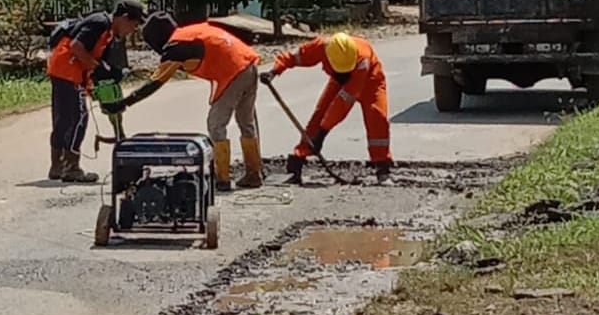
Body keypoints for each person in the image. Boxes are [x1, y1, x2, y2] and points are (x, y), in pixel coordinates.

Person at [104, 11, 262, 191]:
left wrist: (124, 103)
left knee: (216, 125)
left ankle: (222, 178)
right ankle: (253, 174)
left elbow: (155, 82)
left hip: (232, 73)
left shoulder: (176, 47)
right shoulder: (190, 32)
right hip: (249, 64)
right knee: (246, 123)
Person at [261, 32, 392, 184]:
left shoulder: (362, 59)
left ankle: (383, 168)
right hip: (338, 81)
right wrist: (274, 71)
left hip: (371, 81)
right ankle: (298, 160)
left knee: (377, 117)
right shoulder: (322, 46)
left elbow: (343, 104)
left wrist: (322, 134)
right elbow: (294, 56)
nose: (343, 75)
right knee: (320, 114)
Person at [46, 0, 146, 183]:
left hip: (64, 70)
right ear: (123, 18)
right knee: (78, 118)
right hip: (68, 70)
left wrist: (102, 77)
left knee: (64, 119)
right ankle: (71, 167)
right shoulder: (100, 23)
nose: (132, 30)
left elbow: (94, 61)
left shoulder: (108, 34)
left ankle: (57, 165)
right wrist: (97, 68)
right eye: (133, 25)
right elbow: (76, 47)